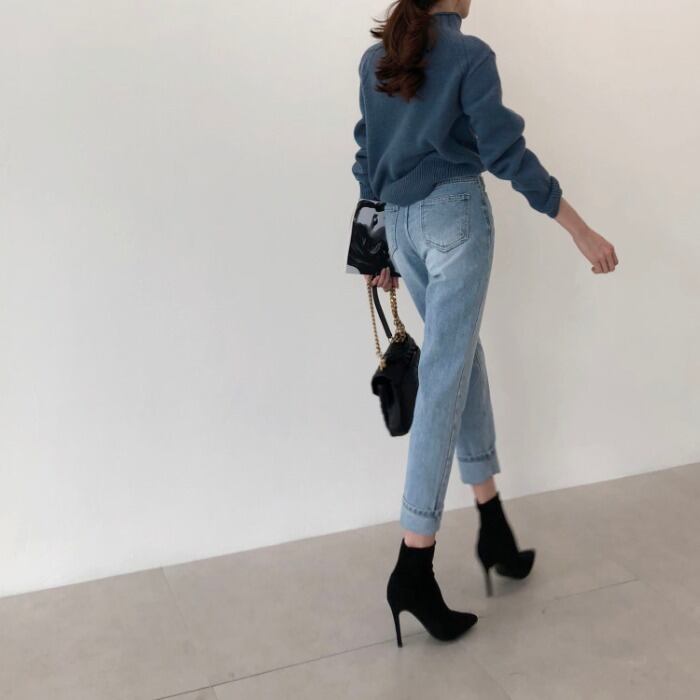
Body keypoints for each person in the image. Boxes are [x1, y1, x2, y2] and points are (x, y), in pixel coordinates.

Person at [351, 0, 619, 648]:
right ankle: (413, 566)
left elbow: (368, 155)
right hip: (454, 220)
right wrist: (578, 228)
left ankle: (491, 522)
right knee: (445, 375)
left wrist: (376, 245)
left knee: (459, 358)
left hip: (403, 228)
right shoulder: (469, 56)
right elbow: (505, 152)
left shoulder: (376, 58)